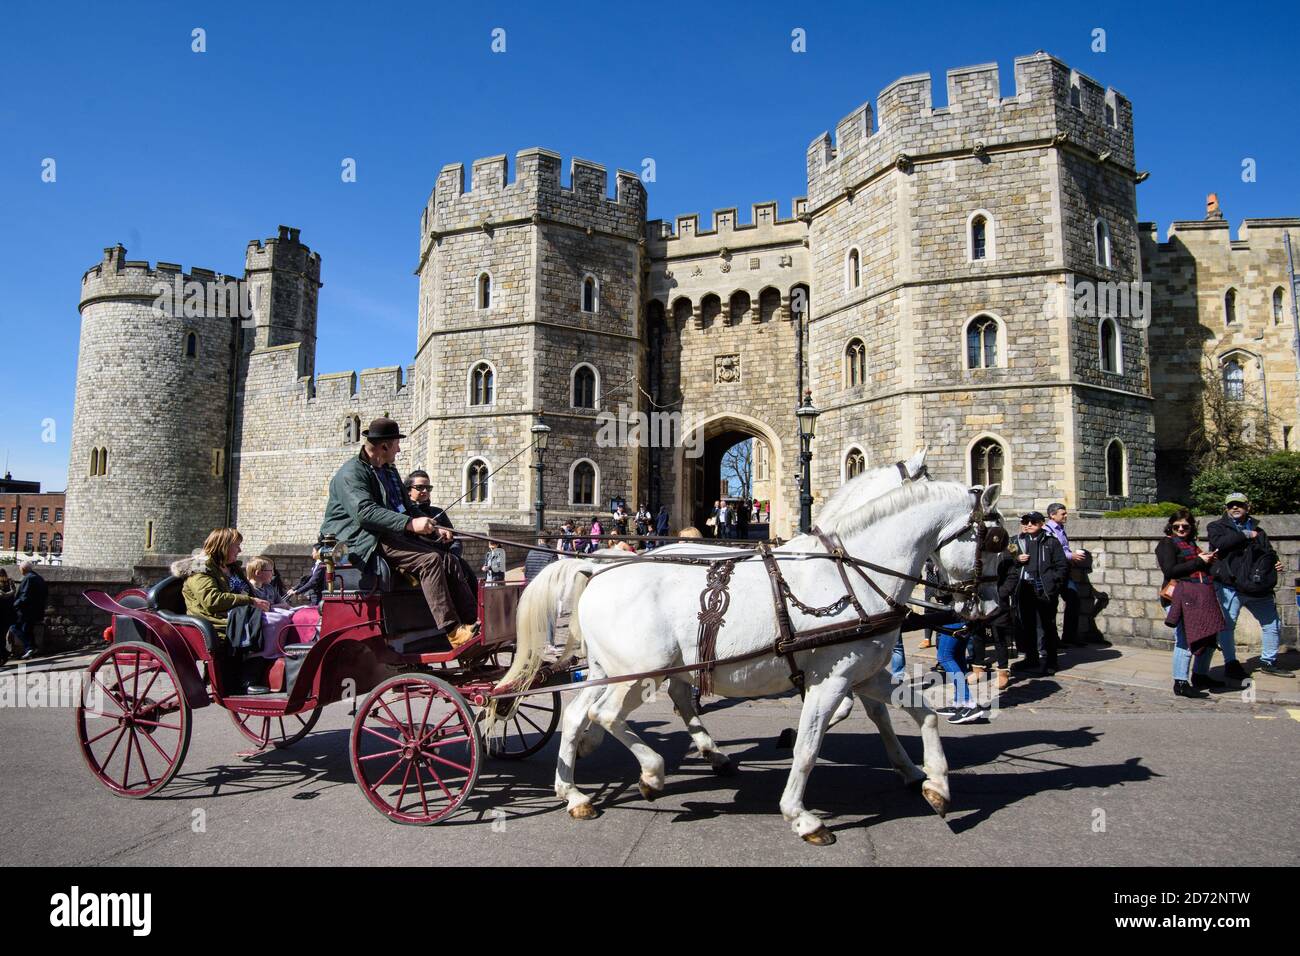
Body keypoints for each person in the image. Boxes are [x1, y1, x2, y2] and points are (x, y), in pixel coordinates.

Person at [320, 417, 478, 648]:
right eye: (396, 444)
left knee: (450, 560)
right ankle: (452, 632)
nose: (399, 449)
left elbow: (407, 506)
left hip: (389, 534)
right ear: (384, 446)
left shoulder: (389, 471)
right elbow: (364, 513)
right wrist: (409, 524)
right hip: (362, 538)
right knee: (431, 561)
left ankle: (471, 622)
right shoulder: (351, 473)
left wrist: (435, 527)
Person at [1207, 492, 1291, 679]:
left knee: (1272, 624)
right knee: (1228, 626)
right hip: (1230, 586)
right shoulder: (1216, 527)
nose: (1235, 508)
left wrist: (1275, 562)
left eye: (1239, 505)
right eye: (1231, 505)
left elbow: (1266, 551)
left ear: (1248, 507)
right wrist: (1244, 534)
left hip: (1257, 586)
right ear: (1226, 509)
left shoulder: (1258, 530)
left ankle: (1268, 662)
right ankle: (1231, 663)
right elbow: (1219, 543)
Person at [177, 529, 272, 692]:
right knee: (269, 625)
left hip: (240, 613)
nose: (240, 550)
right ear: (223, 546)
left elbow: (249, 592)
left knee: (283, 619)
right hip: (215, 620)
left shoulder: (232, 568)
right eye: (237, 546)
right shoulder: (200, 569)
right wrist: (249, 601)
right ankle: (247, 679)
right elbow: (212, 600)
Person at [1157, 508, 1224, 698]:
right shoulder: (1166, 544)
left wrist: (1208, 561)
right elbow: (1170, 571)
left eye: (1185, 526)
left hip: (1200, 596)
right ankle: (1180, 682)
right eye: (1176, 526)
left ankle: (1201, 675)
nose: (1180, 529)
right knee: (1186, 638)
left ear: (1191, 527)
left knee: (1209, 635)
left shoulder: (1192, 545)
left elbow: (1199, 568)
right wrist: (1199, 561)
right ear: (1170, 527)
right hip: (1179, 597)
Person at [1011, 511, 1067, 676]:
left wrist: (1052, 584)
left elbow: (1061, 567)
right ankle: (1031, 658)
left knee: (1047, 626)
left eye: (1033, 522)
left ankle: (1051, 661)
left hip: (1043, 590)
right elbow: (1005, 562)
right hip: (1024, 588)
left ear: (1041, 523)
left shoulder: (1051, 542)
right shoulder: (1016, 541)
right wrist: (1016, 560)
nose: (1028, 524)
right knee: (1026, 626)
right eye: (1026, 521)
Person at [1045, 503, 1089, 647]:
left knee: (1073, 600)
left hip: (1064, 572)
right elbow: (1053, 551)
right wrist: (1071, 556)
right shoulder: (1047, 530)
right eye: (1062, 513)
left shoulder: (1060, 529)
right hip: (1053, 572)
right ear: (1052, 515)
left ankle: (1069, 636)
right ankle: (1053, 639)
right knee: (1051, 606)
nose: (1066, 516)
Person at [405, 469, 463, 557]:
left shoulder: (438, 512)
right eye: (420, 487)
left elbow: (455, 540)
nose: (425, 491)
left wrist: (453, 556)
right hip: (420, 559)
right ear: (409, 490)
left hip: (444, 558)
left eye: (428, 488)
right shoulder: (404, 512)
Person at [10, 560, 48, 661]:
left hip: (26, 611)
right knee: (28, 630)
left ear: (23, 569)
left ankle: (29, 647)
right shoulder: (39, 578)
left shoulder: (29, 579)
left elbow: (24, 596)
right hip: (37, 610)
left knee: (14, 627)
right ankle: (32, 648)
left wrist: (14, 605)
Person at [0, 568, 16, 666]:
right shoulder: (11, 583)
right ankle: (4, 655)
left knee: (1, 637)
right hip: (8, 615)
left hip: (2, 614)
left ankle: (4, 655)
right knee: (1, 636)